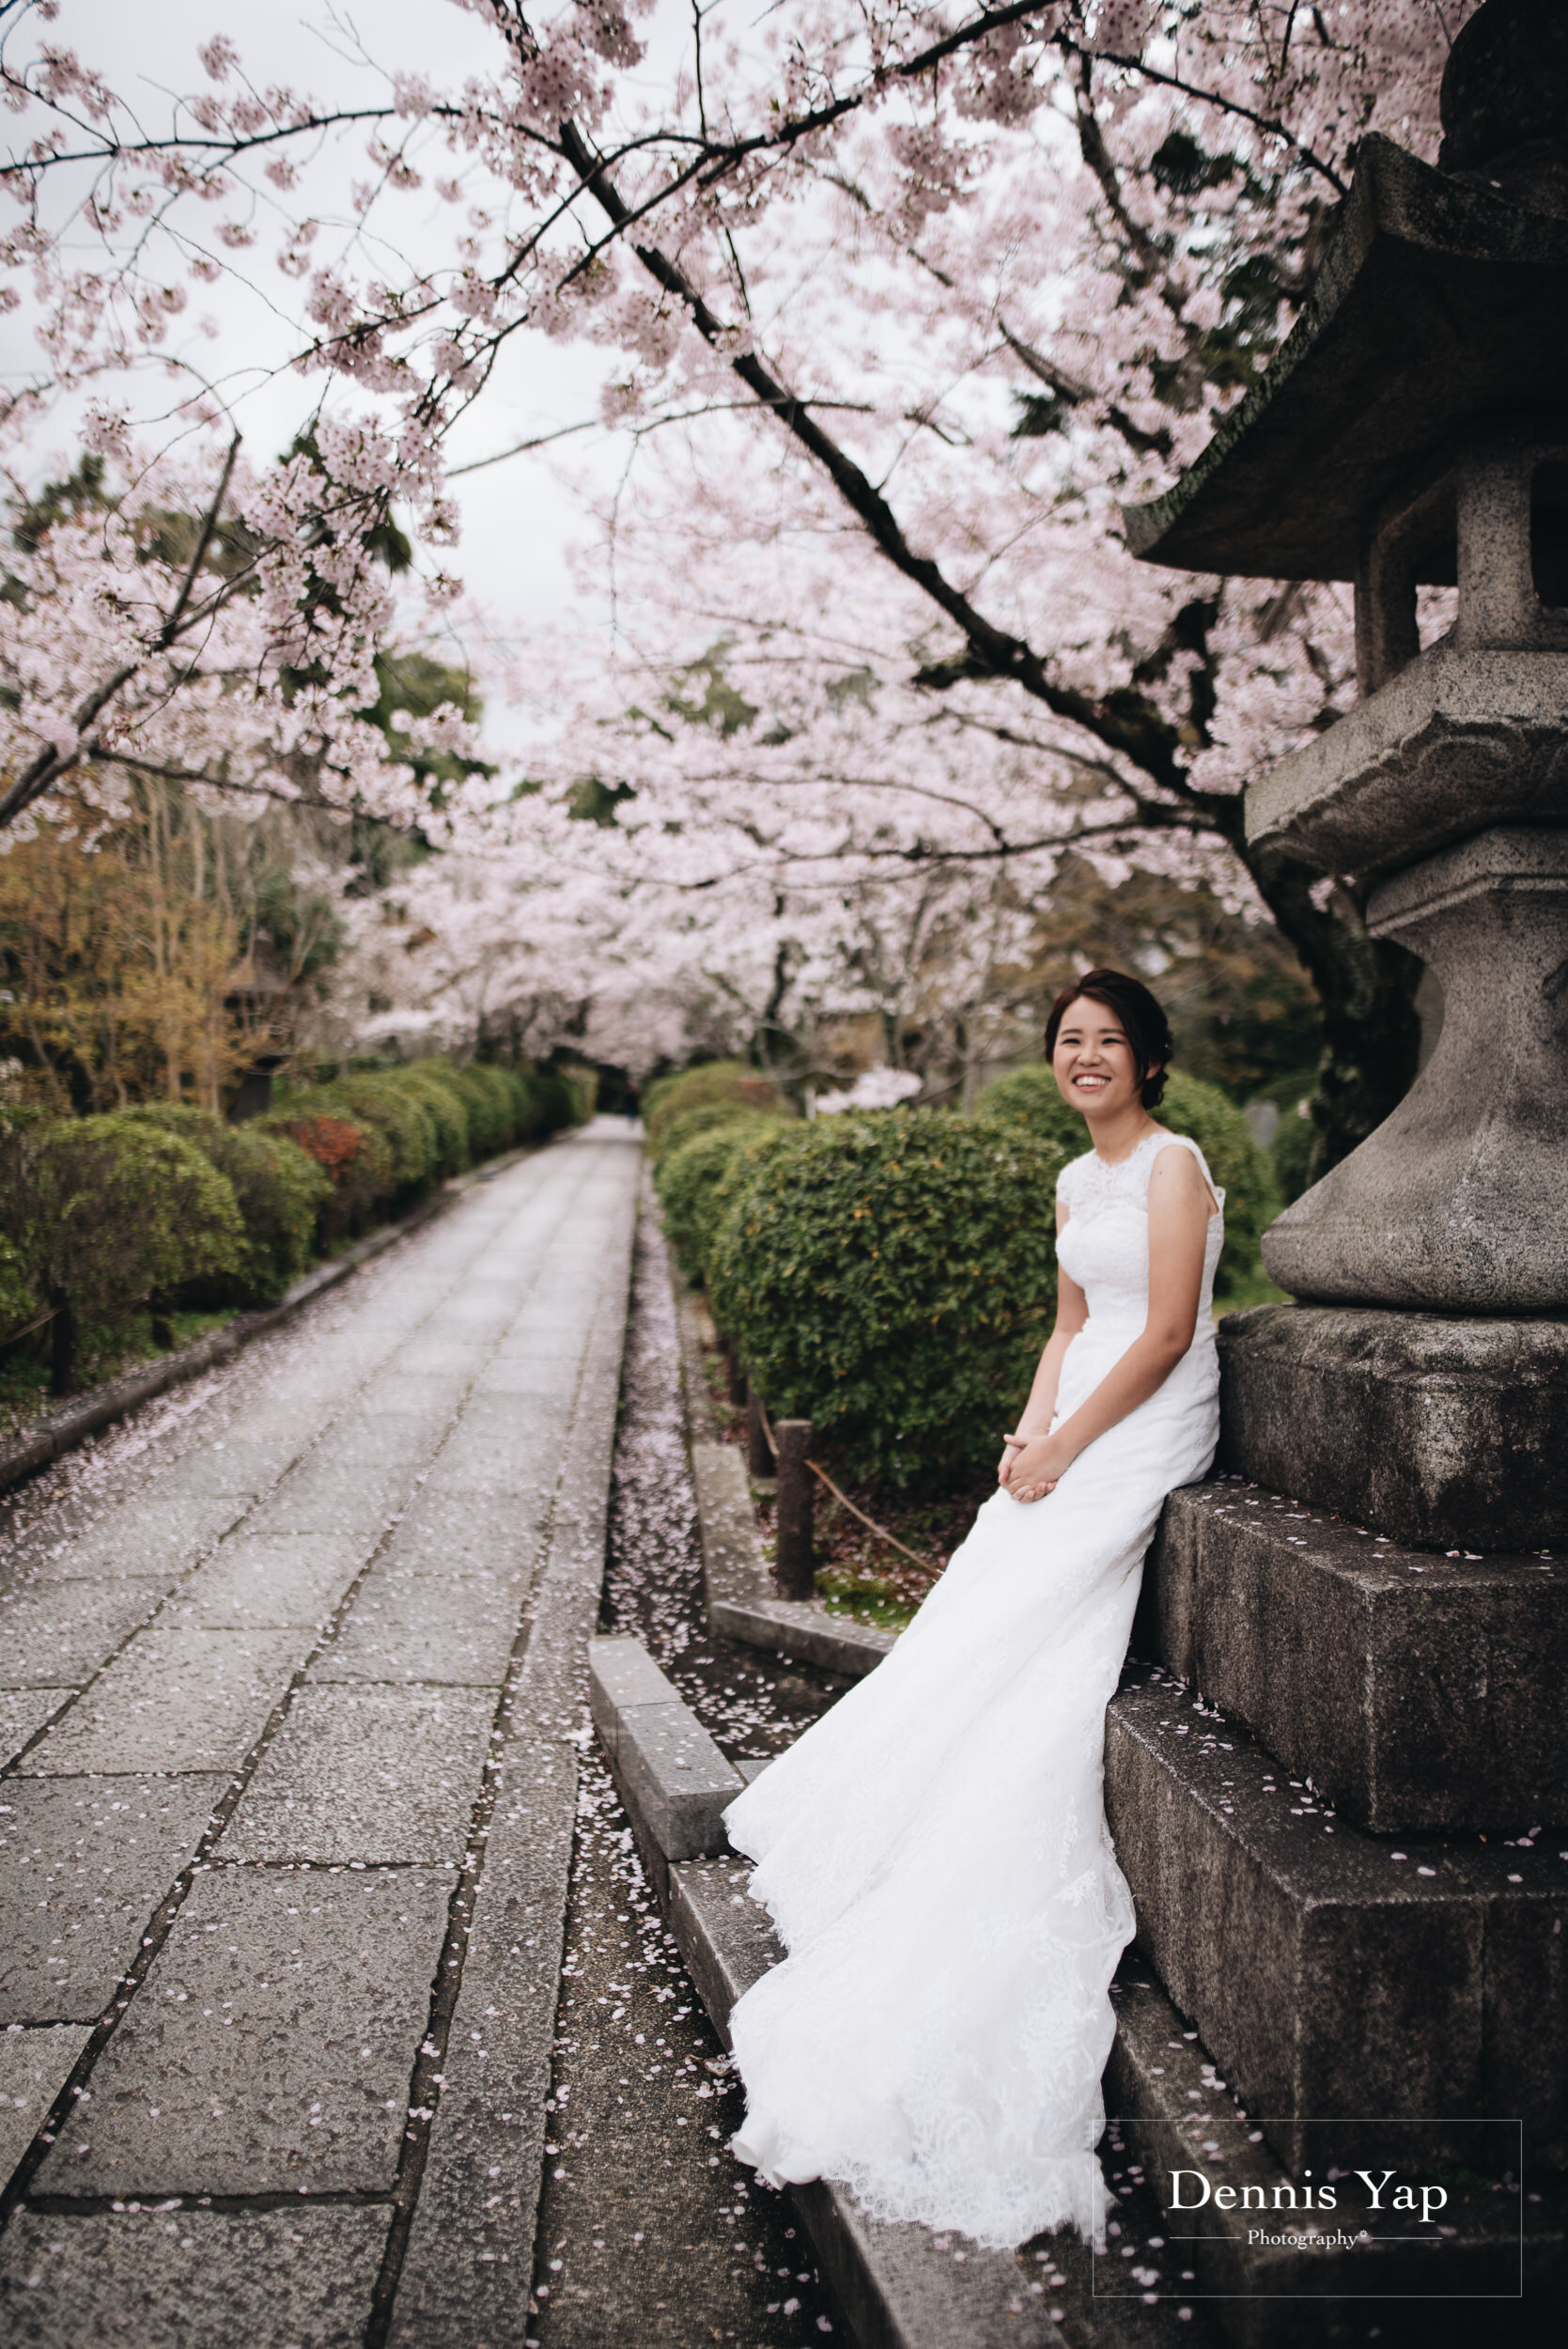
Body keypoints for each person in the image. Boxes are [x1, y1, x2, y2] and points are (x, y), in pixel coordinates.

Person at [722, 969, 1224, 2252]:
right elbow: (1072, 1323)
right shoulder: (1072, 1181)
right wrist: (1029, 1427)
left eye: (1109, 1041)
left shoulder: (1173, 1166)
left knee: (1039, 1584)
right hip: (1083, 1412)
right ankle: (899, 1807)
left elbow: (1161, 1332)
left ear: (1147, 1061)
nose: (1086, 1058)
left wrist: (1073, 1448)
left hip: (1155, 1414)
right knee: (996, 1558)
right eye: (1069, 1041)